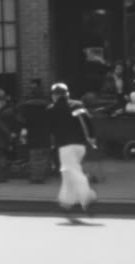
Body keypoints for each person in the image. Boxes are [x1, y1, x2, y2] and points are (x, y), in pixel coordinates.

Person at [47, 82, 97, 216]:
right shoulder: (77, 105)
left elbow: (50, 128)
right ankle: (66, 200)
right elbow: (88, 120)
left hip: (65, 145)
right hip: (81, 145)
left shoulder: (52, 109)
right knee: (67, 172)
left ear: (54, 96)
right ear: (67, 94)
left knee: (71, 171)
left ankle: (87, 196)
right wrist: (92, 136)